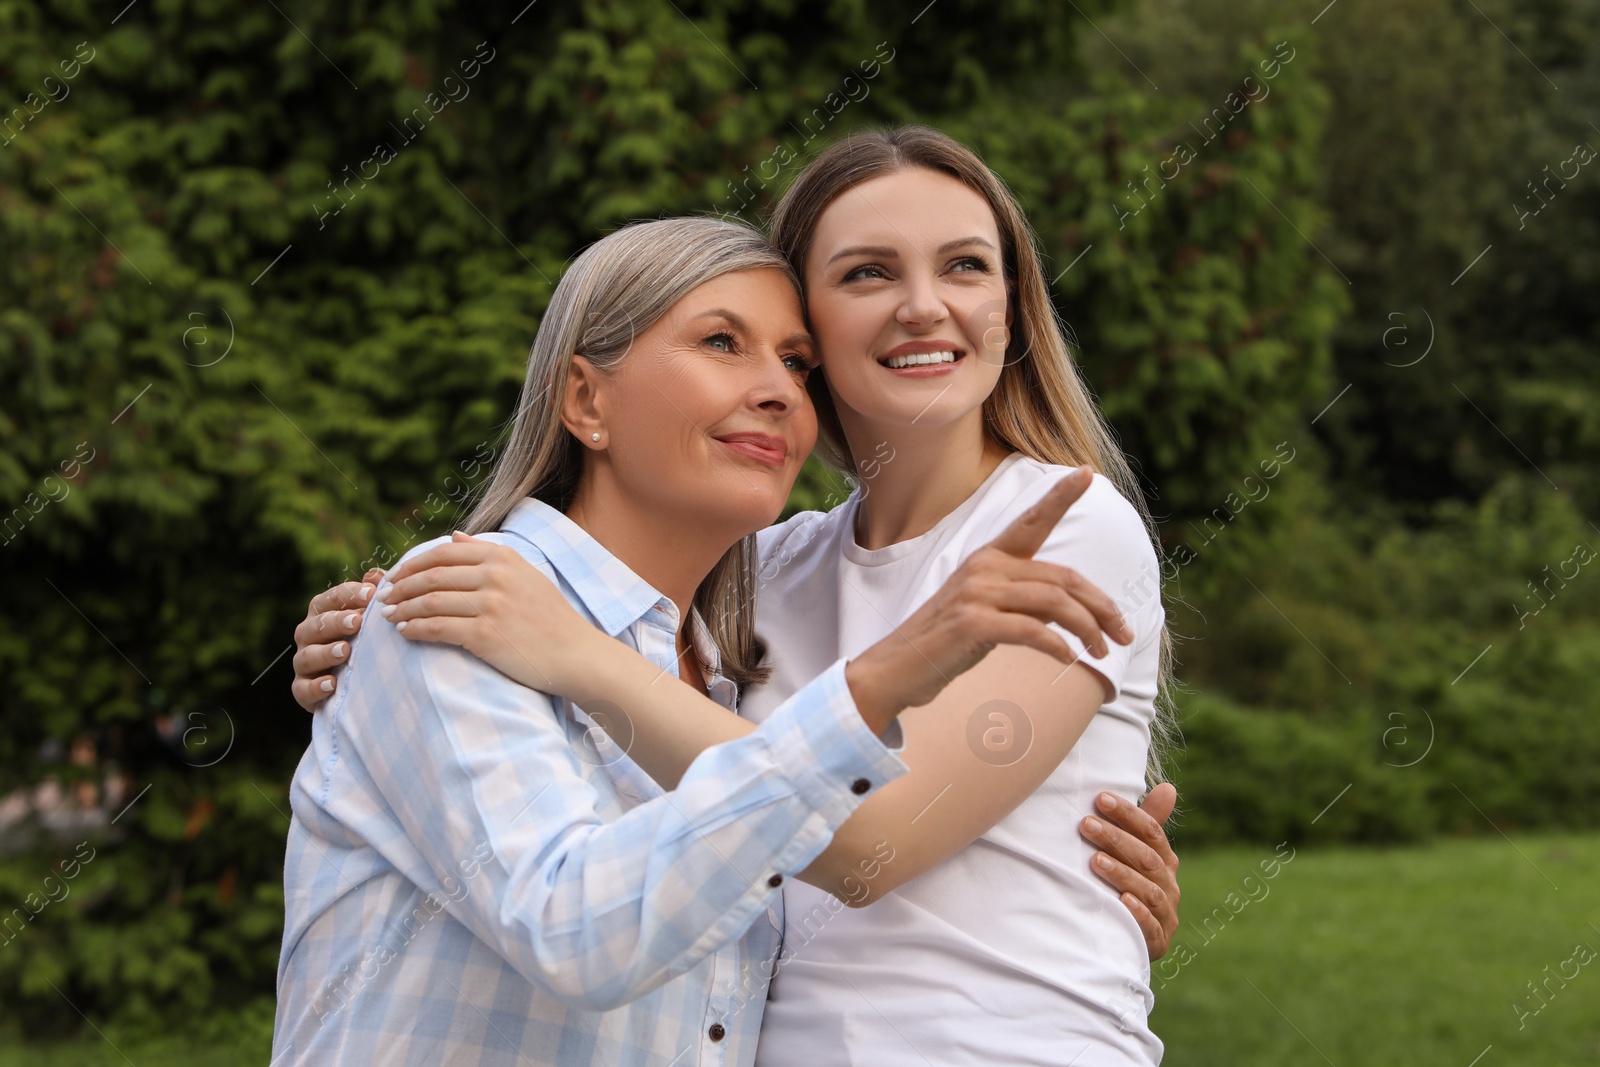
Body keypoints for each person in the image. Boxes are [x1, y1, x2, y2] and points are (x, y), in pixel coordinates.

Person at [294, 126, 1184, 1063]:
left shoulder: (1065, 524)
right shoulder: (753, 581)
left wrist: (571, 653)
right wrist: (364, 634)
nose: (924, 306)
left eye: (966, 265)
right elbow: (706, 852)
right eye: (868, 273)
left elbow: (868, 843)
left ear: (1014, 307)